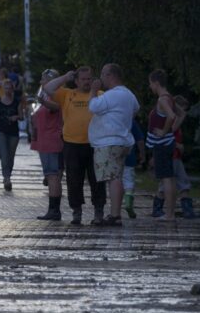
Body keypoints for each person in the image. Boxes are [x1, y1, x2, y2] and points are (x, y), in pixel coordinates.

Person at [43, 66, 105, 225]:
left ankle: (98, 211)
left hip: (95, 144)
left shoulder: (99, 95)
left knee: (97, 179)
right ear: (76, 81)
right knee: (73, 180)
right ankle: (76, 211)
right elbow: (48, 88)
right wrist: (65, 77)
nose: (86, 82)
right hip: (72, 144)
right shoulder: (67, 94)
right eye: (83, 79)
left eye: (89, 79)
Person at [87, 63, 139, 226]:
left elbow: (93, 106)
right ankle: (115, 213)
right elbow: (135, 110)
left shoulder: (112, 95)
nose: (100, 78)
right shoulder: (129, 95)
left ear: (110, 76)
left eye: (103, 74)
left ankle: (115, 215)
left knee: (113, 178)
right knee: (116, 176)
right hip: (122, 140)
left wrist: (93, 91)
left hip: (110, 141)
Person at [146, 69, 184, 220]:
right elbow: (181, 115)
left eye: (150, 84)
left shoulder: (162, 99)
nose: (150, 87)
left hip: (162, 144)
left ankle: (169, 214)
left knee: (166, 178)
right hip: (168, 143)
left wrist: (164, 131)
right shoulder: (170, 98)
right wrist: (171, 131)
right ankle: (171, 212)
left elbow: (172, 115)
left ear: (156, 83)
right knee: (170, 178)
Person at [153, 95, 197, 219]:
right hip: (172, 156)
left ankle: (160, 208)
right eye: (182, 109)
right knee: (175, 183)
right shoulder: (171, 121)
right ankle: (183, 209)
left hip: (175, 157)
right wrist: (178, 145)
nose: (183, 113)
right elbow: (167, 136)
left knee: (174, 183)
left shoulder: (172, 121)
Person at [31, 69, 65, 220]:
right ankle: (53, 209)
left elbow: (57, 108)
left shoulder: (56, 94)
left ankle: (54, 211)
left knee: (53, 175)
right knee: (52, 175)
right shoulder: (46, 95)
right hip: (45, 140)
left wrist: (43, 102)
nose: (40, 82)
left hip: (51, 140)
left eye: (43, 80)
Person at [0, 78, 26, 191]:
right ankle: (6, 178)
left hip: (13, 132)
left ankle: (8, 175)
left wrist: (16, 117)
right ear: (2, 89)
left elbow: (22, 117)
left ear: (12, 89)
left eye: (9, 88)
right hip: (0, 131)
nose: (7, 90)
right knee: (4, 155)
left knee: (10, 156)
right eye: (5, 87)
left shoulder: (17, 102)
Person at [122, 118, 146, 219]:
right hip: (129, 157)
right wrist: (142, 154)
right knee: (129, 181)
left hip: (114, 155)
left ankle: (115, 208)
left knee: (116, 181)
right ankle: (128, 202)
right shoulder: (131, 121)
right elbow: (139, 140)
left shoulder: (112, 118)